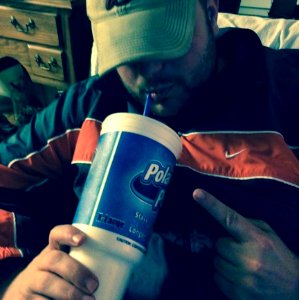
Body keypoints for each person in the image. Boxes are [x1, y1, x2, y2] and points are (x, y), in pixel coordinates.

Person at [0, 0, 298, 299]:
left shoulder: (287, 98)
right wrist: (13, 280)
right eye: (130, 47)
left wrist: (294, 282)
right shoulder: (87, 108)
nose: (151, 72)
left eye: (168, 42)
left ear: (210, 12)